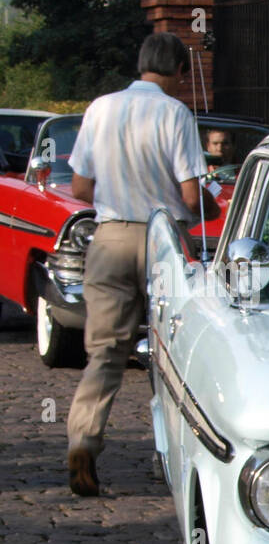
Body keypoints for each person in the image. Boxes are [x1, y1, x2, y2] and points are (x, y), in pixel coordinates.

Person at [65, 32, 219, 497]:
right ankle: (166, 456)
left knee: (105, 353)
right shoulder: (175, 113)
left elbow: (79, 188)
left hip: (110, 237)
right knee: (169, 356)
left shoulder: (100, 108)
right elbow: (190, 195)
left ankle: (83, 441)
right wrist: (209, 210)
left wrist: (118, 193)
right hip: (162, 242)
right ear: (178, 72)